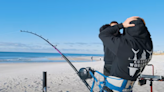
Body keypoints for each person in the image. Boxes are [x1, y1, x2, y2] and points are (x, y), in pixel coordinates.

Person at [99, 16, 153, 92]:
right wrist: (140, 23)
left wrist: (121, 25)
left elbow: (102, 34)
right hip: (128, 86)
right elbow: (146, 35)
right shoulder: (149, 46)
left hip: (114, 86)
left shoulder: (123, 44)